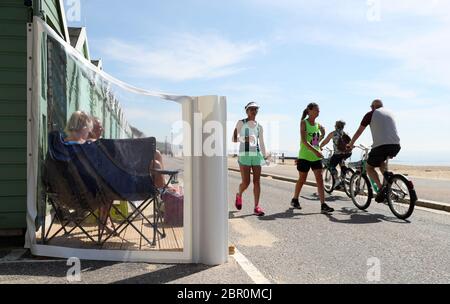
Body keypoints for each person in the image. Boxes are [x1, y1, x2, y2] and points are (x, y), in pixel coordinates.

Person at [347, 99, 401, 202]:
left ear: (372, 107)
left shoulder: (370, 114)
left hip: (381, 146)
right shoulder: (390, 113)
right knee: (381, 161)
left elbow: (359, 131)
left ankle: (381, 189)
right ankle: (388, 180)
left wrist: (351, 143)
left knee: (369, 167)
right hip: (396, 145)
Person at [290, 103, 335, 214]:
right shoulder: (303, 123)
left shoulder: (317, 125)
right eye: (316, 110)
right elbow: (305, 142)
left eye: (319, 110)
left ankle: (323, 205)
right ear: (309, 111)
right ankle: (295, 199)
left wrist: (323, 134)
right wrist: (316, 151)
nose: (318, 112)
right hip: (304, 156)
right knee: (302, 179)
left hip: (315, 157)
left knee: (319, 180)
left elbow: (314, 142)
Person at [232, 102, 269, 217]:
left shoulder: (259, 127)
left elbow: (261, 143)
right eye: (251, 109)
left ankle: (256, 207)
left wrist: (265, 155)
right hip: (244, 155)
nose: (254, 111)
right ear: (246, 111)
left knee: (257, 181)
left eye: (255, 109)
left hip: (256, 155)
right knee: (246, 182)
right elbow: (233, 138)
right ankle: (239, 194)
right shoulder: (241, 123)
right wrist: (245, 138)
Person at [319, 120, 352, 184]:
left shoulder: (333, 133)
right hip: (347, 153)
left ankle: (337, 179)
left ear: (336, 126)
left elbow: (325, 141)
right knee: (341, 162)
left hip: (338, 154)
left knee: (331, 166)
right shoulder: (345, 133)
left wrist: (320, 146)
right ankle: (344, 177)